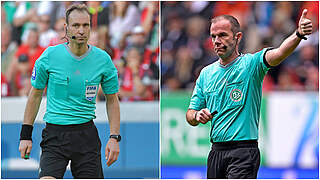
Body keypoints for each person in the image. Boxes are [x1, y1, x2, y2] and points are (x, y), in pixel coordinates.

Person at [186, 9, 312, 179]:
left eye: (222, 35)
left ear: (237, 37)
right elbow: (190, 113)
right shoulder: (206, 74)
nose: (217, 41)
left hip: (243, 151)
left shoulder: (251, 65)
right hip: (216, 152)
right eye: (213, 36)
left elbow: (280, 52)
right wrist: (197, 115)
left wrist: (298, 34)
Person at [18, 4, 121, 179]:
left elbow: (112, 100)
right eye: (76, 25)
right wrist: (25, 135)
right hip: (54, 135)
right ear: (66, 28)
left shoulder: (103, 60)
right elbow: (35, 95)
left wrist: (114, 137)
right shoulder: (49, 56)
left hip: (86, 136)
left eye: (86, 25)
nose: (81, 30)